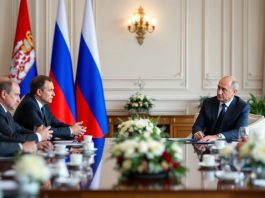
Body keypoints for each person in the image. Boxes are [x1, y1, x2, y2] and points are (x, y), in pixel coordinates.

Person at [14, 75, 86, 139]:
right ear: (39, 92)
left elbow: (56, 123)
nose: (54, 94)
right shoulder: (28, 105)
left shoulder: (44, 104)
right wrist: (71, 130)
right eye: (50, 90)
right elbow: (44, 130)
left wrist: (74, 129)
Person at [192, 76, 249, 142]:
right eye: (218, 87)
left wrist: (217, 137)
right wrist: (197, 132)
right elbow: (197, 125)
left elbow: (240, 132)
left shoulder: (242, 107)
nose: (219, 92)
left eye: (224, 89)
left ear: (234, 92)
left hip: (229, 146)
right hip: (206, 144)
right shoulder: (208, 103)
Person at [0, 78, 53, 143]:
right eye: (16, 95)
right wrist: (39, 136)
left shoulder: (6, 112)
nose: (19, 100)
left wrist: (36, 134)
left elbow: (19, 130)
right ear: (4, 94)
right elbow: (11, 137)